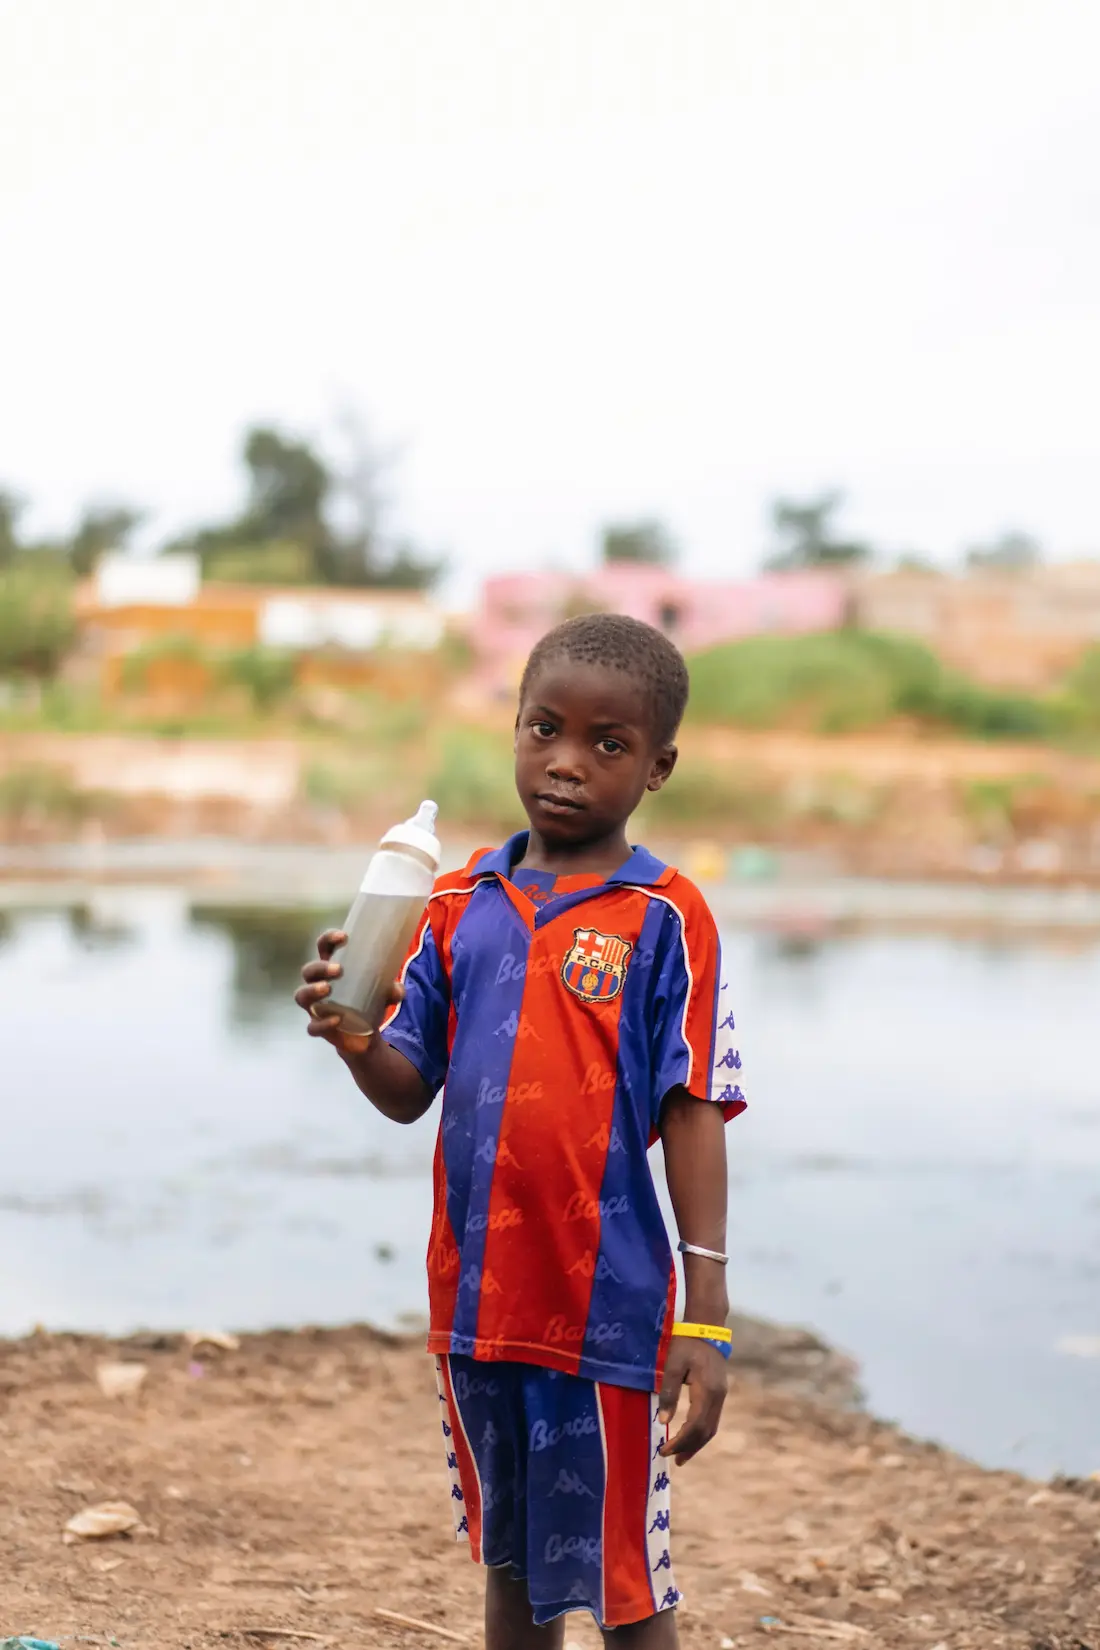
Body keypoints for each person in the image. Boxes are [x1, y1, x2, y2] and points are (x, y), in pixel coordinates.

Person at [296, 613, 746, 1649]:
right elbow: (410, 1087)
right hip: (473, 1304)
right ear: (512, 729)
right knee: (511, 1567)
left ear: (657, 767)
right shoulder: (455, 902)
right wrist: (349, 1031)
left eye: (607, 744)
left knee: (624, 1585)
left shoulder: (666, 917)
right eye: (543, 729)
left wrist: (706, 1318)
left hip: (607, 1314)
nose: (566, 764)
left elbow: (693, 1108)